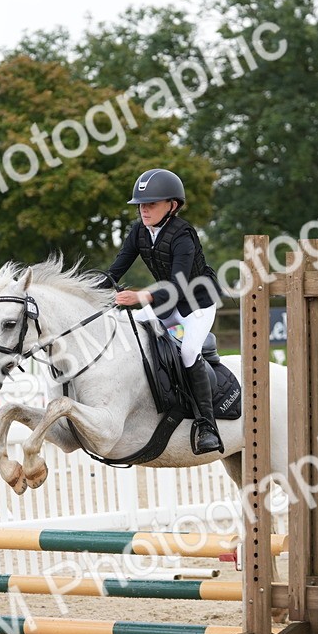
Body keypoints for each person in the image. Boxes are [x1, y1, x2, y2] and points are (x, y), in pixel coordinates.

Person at [104, 168, 222, 455]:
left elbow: (178, 285)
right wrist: (90, 290)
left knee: (188, 352)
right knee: (124, 324)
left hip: (196, 305)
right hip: (165, 303)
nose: (144, 210)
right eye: (142, 205)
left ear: (172, 205)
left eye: (151, 204)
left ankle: (208, 427)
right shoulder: (139, 232)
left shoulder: (184, 236)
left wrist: (140, 296)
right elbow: (115, 270)